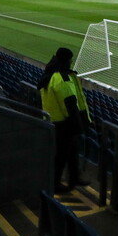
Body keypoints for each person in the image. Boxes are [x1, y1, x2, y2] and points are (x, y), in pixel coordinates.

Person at [38, 47, 91, 193]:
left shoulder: (50, 75)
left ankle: (74, 177)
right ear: (66, 61)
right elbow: (69, 103)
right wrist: (77, 125)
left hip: (54, 120)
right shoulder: (62, 78)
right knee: (61, 156)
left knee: (72, 153)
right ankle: (55, 184)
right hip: (64, 124)